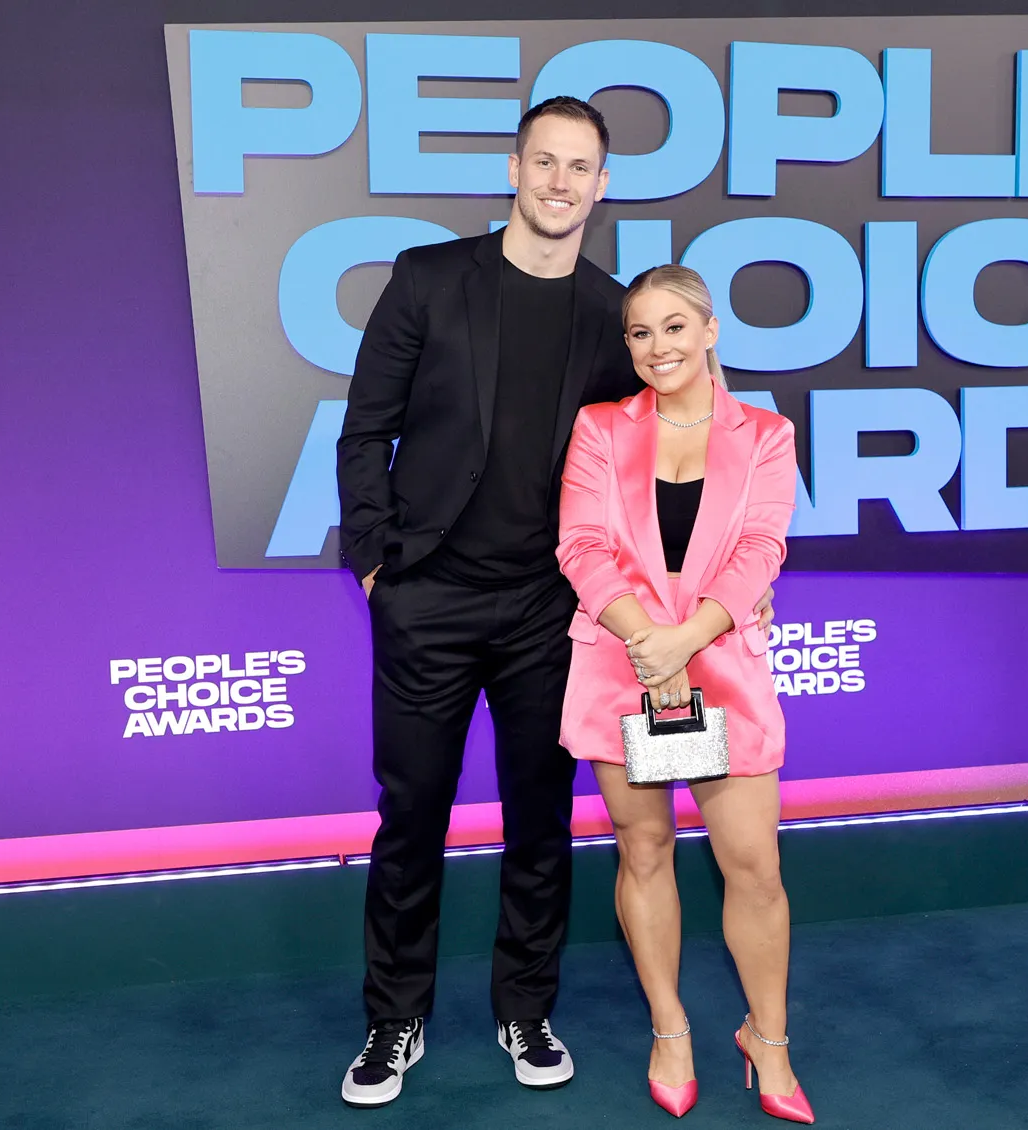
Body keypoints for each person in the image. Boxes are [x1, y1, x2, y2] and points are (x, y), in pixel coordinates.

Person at [333, 98, 773, 1108]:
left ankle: (524, 1007)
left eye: (580, 168)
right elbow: (364, 432)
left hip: (553, 609)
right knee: (411, 815)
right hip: (429, 599)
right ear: (514, 169)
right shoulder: (428, 278)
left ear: (601, 185)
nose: (560, 183)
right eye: (545, 163)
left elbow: (672, 453)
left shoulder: (612, 313)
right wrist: (375, 567)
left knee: (541, 821)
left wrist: (724, 592)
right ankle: (392, 1017)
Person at [555, 265, 812, 1123]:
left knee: (755, 869)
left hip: (720, 664)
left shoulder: (766, 434)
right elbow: (582, 548)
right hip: (620, 667)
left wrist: (682, 641)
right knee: (645, 852)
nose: (656, 346)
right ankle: (670, 1025)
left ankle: (766, 1038)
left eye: (673, 327)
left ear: (709, 331)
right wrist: (645, 642)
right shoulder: (598, 429)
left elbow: (761, 552)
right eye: (639, 332)